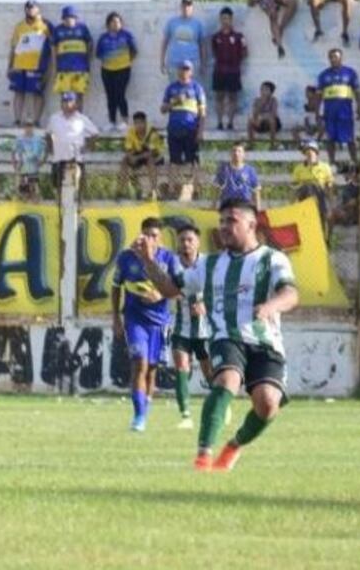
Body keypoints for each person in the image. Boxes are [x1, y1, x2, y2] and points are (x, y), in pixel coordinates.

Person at [134, 198, 300, 472]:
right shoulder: (208, 265)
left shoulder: (272, 259)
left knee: (268, 404)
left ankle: (234, 446)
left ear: (251, 224)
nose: (223, 226)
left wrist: (271, 306)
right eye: (221, 221)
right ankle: (203, 456)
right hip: (226, 337)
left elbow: (290, 294)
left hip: (265, 342)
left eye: (231, 220)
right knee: (226, 380)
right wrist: (147, 261)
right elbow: (169, 289)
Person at [111, 217, 179, 432]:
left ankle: (145, 410)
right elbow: (115, 286)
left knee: (151, 369)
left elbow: (179, 288)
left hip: (159, 322)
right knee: (139, 363)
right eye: (146, 235)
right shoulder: (126, 257)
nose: (150, 239)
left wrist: (161, 294)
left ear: (160, 238)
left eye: (154, 236)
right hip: (134, 319)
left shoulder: (168, 258)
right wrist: (116, 318)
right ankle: (138, 416)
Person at [169, 223, 214, 429]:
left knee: (209, 372)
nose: (186, 244)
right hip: (181, 327)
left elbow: (219, 289)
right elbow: (165, 287)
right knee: (181, 367)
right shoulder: (172, 264)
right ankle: (185, 415)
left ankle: (220, 404)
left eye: (190, 240)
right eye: (182, 240)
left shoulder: (207, 264)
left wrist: (205, 304)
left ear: (197, 243)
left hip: (205, 329)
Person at [161, 60, 206, 201]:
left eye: (187, 69)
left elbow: (202, 112)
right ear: (178, 70)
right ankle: (171, 190)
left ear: (191, 72)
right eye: (182, 69)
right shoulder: (171, 88)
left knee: (193, 161)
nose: (184, 71)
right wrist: (174, 102)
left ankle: (196, 190)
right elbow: (163, 109)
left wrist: (200, 131)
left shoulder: (197, 88)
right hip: (174, 129)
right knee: (174, 161)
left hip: (191, 129)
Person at [7, 0, 53, 125]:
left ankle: (36, 120)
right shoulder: (19, 26)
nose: (30, 10)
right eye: (28, 8)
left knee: (37, 93)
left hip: (37, 66)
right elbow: (13, 47)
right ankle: (17, 120)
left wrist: (50, 68)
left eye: (33, 7)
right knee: (18, 92)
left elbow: (53, 45)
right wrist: (9, 66)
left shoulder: (45, 25)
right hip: (19, 65)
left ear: (38, 9)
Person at [46, 91, 99, 197]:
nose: (66, 104)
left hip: (76, 157)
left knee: (79, 182)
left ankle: (79, 202)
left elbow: (95, 133)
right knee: (57, 184)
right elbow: (48, 134)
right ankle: (60, 203)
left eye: (69, 101)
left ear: (76, 103)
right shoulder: (54, 118)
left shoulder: (82, 119)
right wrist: (51, 148)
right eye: (64, 101)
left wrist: (88, 147)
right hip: (59, 157)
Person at [95, 11, 138, 133]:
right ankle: (112, 121)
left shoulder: (126, 35)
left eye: (118, 22)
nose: (116, 24)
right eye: (113, 22)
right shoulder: (103, 38)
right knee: (110, 96)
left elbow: (134, 51)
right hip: (107, 70)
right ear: (108, 24)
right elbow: (98, 54)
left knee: (120, 94)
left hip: (123, 69)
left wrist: (125, 61)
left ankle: (125, 121)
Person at [318, 48, 360, 164]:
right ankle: (332, 163)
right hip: (329, 113)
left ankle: (355, 163)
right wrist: (317, 113)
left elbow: (357, 92)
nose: (333, 59)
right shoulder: (323, 75)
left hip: (345, 112)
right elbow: (318, 96)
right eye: (331, 57)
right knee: (330, 139)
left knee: (350, 138)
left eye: (336, 57)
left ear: (341, 58)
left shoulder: (350, 73)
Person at [211, 7, 247, 130]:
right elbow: (214, 52)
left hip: (233, 72)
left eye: (227, 18)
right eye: (223, 18)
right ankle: (219, 122)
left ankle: (230, 122)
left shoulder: (239, 36)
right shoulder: (215, 37)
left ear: (231, 19)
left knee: (233, 97)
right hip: (219, 71)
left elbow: (245, 52)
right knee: (219, 97)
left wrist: (235, 61)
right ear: (220, 19)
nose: (225, 21)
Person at [52, 5, 94, 111]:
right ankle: (65, 117)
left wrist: (87, 59)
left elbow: (90, 44)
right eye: (66, 18)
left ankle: (78, 117)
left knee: (79, 95)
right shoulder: (58, 30)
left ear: (76, 18)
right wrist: (55, 66)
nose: (69, 20)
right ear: (63, 18)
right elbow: (53, 48)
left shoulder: (83, 28)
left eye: (71, 17)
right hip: (63, 69)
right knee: (64, 96)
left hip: (80, 69)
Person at [116, 111, 163, 200]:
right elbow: (128, 148)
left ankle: (154, 190)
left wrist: (137, 158)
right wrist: (131, 157)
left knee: (150, 160)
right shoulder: (131, 131)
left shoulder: (152, 132)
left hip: (155, 156)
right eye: (136, 123)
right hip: (139, 154)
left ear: (145, 123)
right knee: (124, 160)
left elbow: (152, 152)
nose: (138, 126)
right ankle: (121, 190)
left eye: (141, 123)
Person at [292, 139, 335, 233]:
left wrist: (331, 202)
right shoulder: (298, 168)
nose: (309, 154)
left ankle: (325, 235)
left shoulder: (325, 167)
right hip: (304, 195)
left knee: (327, 215)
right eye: (307, 152)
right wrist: (293, 202)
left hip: (320, 195)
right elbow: (295, 187)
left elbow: (329, 186)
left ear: (316, 153)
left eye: (311, 152)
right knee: (308, 186)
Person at [161, 0, 206, 81]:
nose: (186, 8)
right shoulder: (172, 22)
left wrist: (203, 64)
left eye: (188, 5)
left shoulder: (198, 24)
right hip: (174, 64)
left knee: (191, 89)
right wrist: (162, 61)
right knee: (175, 88)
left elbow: (202, 45)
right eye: (184, 5)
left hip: (192, 64)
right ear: (181, 7)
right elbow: (164, 42)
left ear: (192, 7)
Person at [214, 142, 261, 211]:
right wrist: (214, 206)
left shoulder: (250, 170)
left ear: (244, 154)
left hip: (245, 205)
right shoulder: (224, 169)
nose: (236, 153)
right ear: (230, 154)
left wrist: (258, 208)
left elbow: (256, 190)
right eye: (234, 150)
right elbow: (217, 189)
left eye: (239, 151)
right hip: (228, 206)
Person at [12, 121, 47, 202]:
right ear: (24, 128)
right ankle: (24, 199)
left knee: (33, 184)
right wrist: (14, 163)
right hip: (22, 165)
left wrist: (42, 161)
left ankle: (34, 199)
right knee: (23, 185)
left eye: (30, 126)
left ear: (33, 127)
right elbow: (13, 152)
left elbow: (45, 150)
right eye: (26, 126)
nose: (28, 128)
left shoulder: (38, 139)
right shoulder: (19, 139)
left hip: (33, 166)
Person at [329, 163, 360, 237]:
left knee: (332, 212)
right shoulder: (348, 187)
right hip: (346, 214)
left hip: (352, 215)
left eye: (347, 173)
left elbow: (353, 202)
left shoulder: (358, 187)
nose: (344, 176)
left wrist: (340, 208)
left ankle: (328, 237)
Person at [246, 81, 281, 148]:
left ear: (271, 92)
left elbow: (273, 114)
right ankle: (251, 144)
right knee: (250, 121)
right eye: (262, 89)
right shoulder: (257, 100)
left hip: (272, 124)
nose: (263, 91)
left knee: (271, 120)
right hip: (260, 123)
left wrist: (262, 117)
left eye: (266, 89)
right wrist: (261, 103)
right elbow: (254, 114)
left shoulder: (274, 100)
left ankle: (272, 144)